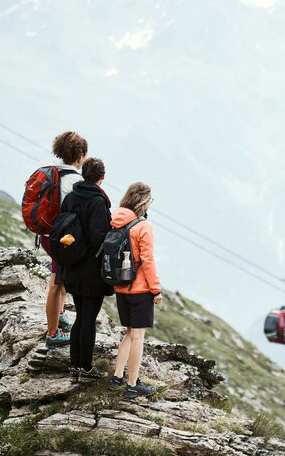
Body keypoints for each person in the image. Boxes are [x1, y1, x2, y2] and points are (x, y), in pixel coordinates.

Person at [60, 157, 112, 379]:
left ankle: (75, 365)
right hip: (91, 270)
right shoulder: (98, 202)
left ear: (83, 174)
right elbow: (98, 237)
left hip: (72, 265)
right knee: (88, 318)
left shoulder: (71, 197)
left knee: (81, 316)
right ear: (102, 177)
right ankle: (86, 368)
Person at [109, 182, 162, 398]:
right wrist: (155, 289)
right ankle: (132, 385)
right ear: (143, 201)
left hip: (121, 286)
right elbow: (148, 260)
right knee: (138, 336)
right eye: (150, 200)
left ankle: (117, 376)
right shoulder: (142, 226)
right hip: (139, 289)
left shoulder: (116, 220)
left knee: (129, 333)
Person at [39, 131, 87, 348]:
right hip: (62, 239)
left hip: (45, 234)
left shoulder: (50, 171)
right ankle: (52, 334)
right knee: (55, 284)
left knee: (62, 276)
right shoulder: (76, 180)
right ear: (81, 155)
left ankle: (59, 313)